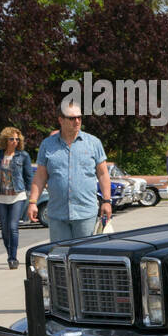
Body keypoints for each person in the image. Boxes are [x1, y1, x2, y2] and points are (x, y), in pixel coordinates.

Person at [28, 101, 112, 241]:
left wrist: (107, 201)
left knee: (84, 257)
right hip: (57, 214)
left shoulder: (93, 143)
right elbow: (40, 177)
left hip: (85, 213)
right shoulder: (47, 145)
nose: (77, 121)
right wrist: (32, 202)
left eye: (79, 117)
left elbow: (103, 174)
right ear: (61, 120)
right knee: (60, 257)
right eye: (72, 118)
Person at [0, 126, 34, 269]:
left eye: (17, 139)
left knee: (13, 227)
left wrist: (30, 194)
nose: (15, 141)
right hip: (1, 196)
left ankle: (13, 258)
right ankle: (9, 254)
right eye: (11, 139)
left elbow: (28, 176)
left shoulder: (23, 156)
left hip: (17, 196)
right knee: (4, 230)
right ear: (5, 140)